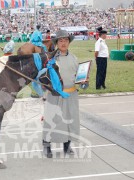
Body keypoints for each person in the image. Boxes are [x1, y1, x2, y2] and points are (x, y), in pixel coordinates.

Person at [42, 30, 85, 158]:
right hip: (55, 94)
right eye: (60, 40)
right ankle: (46, 146)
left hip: (71, 95)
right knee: (52, 120)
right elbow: (44, 76)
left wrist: (83, 82)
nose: (63, 43)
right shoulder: (51, 59)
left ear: (69, 42)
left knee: (69, 120)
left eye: (65, 40)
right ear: (56, 43)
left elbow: (78, 77)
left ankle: (67, 145)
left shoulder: (74, 58)